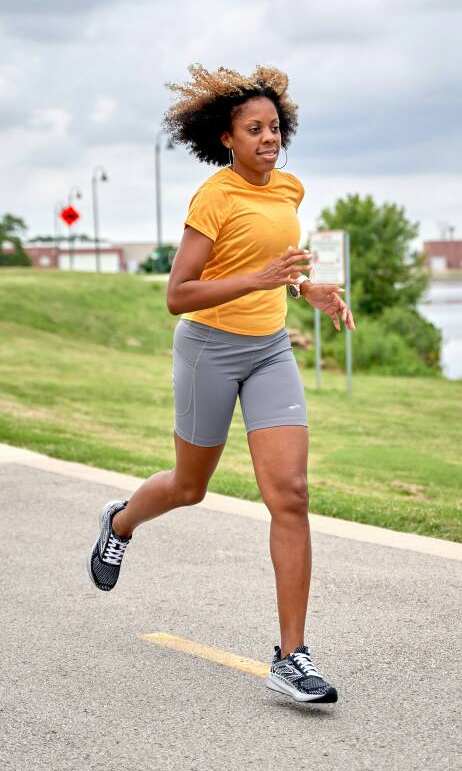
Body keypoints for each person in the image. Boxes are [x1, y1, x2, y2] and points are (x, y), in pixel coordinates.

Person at [87, 65, 354, 704]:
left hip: (269, 350)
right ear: (227, 138)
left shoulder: (289, 190)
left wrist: (301, 287)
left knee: (289, 493)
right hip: (208, 347)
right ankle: (120, 523)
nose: (269, 138)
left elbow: (269, 268)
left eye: (274, 127)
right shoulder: (215, 196)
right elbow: (178, 294)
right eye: (253, 129)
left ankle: (292, 656)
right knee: (189, 486)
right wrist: (260, 279)